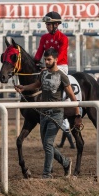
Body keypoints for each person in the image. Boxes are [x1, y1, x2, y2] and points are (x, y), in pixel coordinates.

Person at [14, 48, 82, 179]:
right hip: (43, 114)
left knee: (48, 144)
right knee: (47, 145)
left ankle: (47, 174)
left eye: (49, 59)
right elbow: (37, 85)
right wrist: (24, 88)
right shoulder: (43, 74)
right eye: (45, 59)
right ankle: (66, 162)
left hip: (56, 114)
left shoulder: (62, 76)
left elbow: (73, 97)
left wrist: (78, 116)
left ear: (56, 60)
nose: (46, 61)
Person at [34, 11, 75, 149]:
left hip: (61, 66)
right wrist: (35, 62)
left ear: (56, 25)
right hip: (48, 65)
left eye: (49, 24)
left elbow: (61, 54)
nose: (47, 26)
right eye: (46, 24)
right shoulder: (44, 38)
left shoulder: (63, 38)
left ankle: (65, 104)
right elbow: (39, 52)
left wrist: (52, 68)